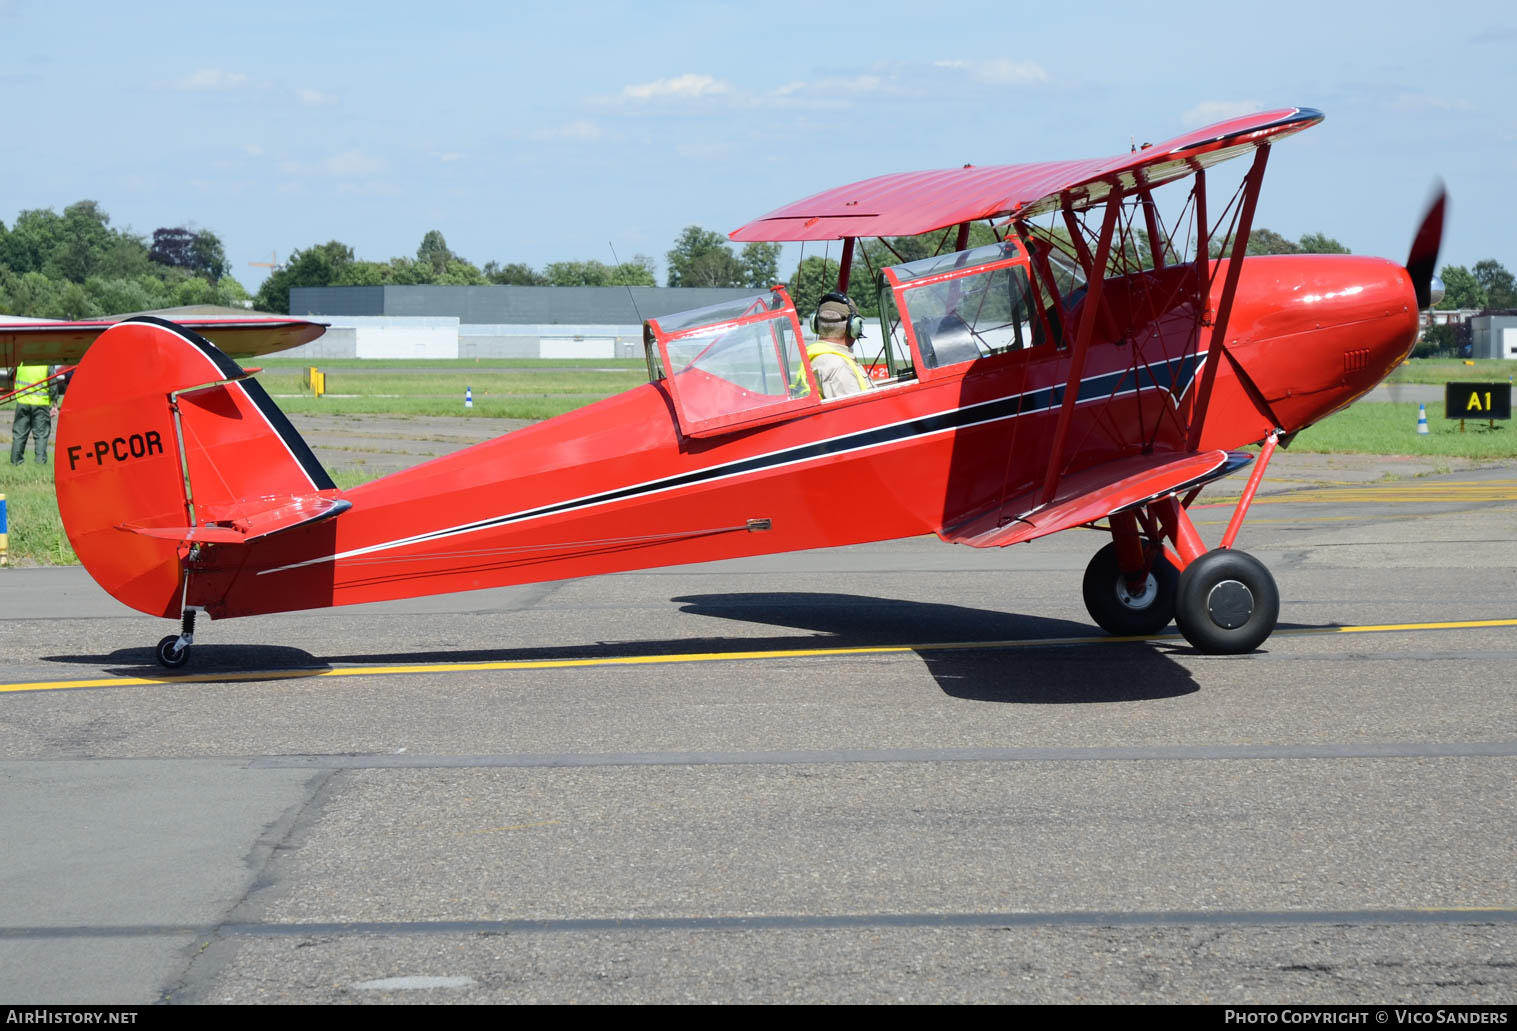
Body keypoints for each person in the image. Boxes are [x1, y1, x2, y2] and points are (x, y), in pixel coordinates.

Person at [807, 292, 873, 398]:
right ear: (853, 327)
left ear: (815, 324)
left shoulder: (819, 357)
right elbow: (859, 411)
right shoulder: (838, 367)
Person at [10, 362, 58, 465]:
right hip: (41, 404)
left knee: (19, 435)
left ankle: (15, 463)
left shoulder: (21, 362)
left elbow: (10, 376)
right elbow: (53, 384)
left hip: (22, 403)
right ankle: (40, 464)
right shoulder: (46, 364)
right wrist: (55, 404)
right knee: (41, 436)